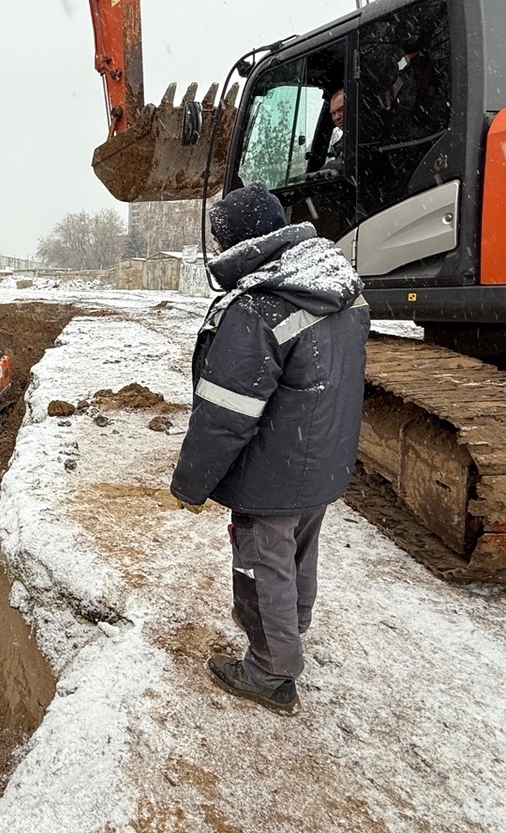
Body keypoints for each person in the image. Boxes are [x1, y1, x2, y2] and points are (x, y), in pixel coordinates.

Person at [170, 181, 369, 716]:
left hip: (271, 470)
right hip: (319, 460)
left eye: (218, 234)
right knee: (297, 553)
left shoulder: (260, 306)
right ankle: (291, 631)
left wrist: (191, 481)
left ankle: (271, 671)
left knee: (262, 564)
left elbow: (225, 413)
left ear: (237, 239)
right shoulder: (335, 289)